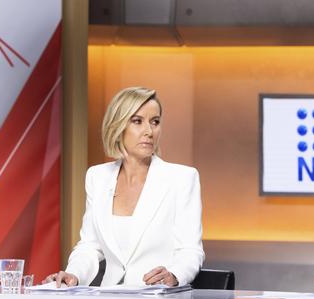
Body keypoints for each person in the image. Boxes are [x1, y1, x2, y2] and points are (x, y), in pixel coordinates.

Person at [45, 87, 204, 287]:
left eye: (155, 122)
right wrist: (74, 274)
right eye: (137, 121)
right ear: (118, 126)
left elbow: (190, 250)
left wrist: (174, 275)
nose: (149, 131)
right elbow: (90, 246)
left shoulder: (182, 178)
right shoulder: (97, 177)